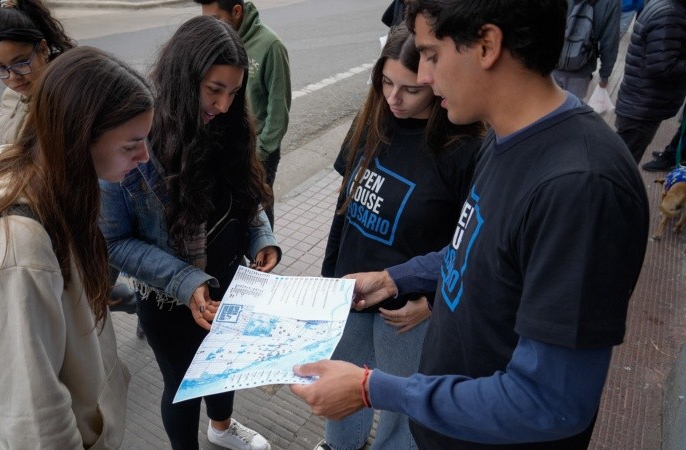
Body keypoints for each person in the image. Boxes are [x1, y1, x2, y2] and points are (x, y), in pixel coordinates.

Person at [291, 1, 649, 449]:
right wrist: (393, 278)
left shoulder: (581, 188)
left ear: (486, 45)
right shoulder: (502, 137)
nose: (422, 76)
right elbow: (479, 247)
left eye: (432, 55)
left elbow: (548, 401)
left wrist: (372, 388)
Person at [0, 46, 149, 448]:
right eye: (130, 144)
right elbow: (34, 418)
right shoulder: (20, 249)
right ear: (78, 137)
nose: (144, 156)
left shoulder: (36, 179)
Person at [99, 16, 279, 450]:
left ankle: (221, 429)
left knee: (224, 364)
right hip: (169, 295)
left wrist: (262, 239)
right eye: (213, 89)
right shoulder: (134, 137)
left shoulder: (231, 125)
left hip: (231, 278)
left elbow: (247, 198)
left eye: (233, 92)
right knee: (183, 384)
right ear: (184, 78)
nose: (222, 104)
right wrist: (185, 281)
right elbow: (113, 242)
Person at [315, 24, 483, 450]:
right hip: (349, 295)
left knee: (400, 410)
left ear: (433, 82)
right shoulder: (371, 120)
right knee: (342, 392)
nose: (394, 99)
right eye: (386, 83)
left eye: (409, 89)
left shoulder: (462, 149)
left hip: (406, 312)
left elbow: (471, 244)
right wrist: (327, 278)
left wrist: (431, 304)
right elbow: (345, 207)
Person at [195, 0, 291, 229]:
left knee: (259, 206)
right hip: (226, 145)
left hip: (258, 150)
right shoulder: (214, 43)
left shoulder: (271, 46)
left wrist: (260, 153)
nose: (211, 26)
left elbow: (279, 110)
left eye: (216, 19)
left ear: (237, 11)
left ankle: (261, 260)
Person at [0, 0, 76, 146]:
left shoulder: (70, 97)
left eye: (20, 63)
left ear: (43, 49)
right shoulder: (11, 96)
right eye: (0, 67)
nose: (13, 77)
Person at [615, 0, 686, 165]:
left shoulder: (667, 7)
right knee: (623, 166)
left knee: (623, 160)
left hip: (642, 102)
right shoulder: (671, 14)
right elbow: (662, 67)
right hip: (643, 105)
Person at [552, 0, 620, 100]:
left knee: (545, 111)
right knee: (572, 111)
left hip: (550, 64)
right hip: (581, 69)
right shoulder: (610, 2)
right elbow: (610, 41)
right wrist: (604, 75)